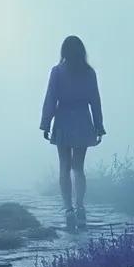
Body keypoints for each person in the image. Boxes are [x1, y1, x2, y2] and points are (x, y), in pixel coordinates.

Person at [40, 35, 105, 221]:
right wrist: (99, 126)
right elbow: (95, 101)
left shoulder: (57, 71)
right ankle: (80, 206)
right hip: (83, 119)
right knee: (78, 167)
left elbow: (51, 98)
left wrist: (45, 123)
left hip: (63, 120)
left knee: (64, 166)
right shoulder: (89, 72)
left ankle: (68, 208)